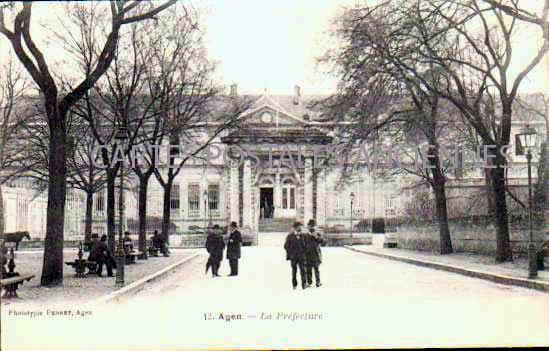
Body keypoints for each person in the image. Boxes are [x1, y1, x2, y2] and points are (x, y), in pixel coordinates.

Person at [284, 221, 307, 290]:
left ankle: (304, 284)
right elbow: (286, 246)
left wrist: (304, 252)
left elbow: (307, 246)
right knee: (294, 271)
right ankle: (294, 284)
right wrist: (290, 253)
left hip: (301, 256)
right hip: (293, 257)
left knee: (303, 270)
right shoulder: (290, 236)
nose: (300, 228)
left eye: (300, 226)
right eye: (298, 227)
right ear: (295, 228)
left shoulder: (304, 235)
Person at [304, 219, 325, 287]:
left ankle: (318, 282)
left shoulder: (317, 234)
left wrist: (317, 237)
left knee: (316, 269)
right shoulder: (305, 234)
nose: (311, 227)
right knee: (308, 269)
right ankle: (309, 282)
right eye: (310, 226)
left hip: (316, 253)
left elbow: (323, 242)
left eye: (313, 226)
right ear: (308, 226)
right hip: (308, 254)